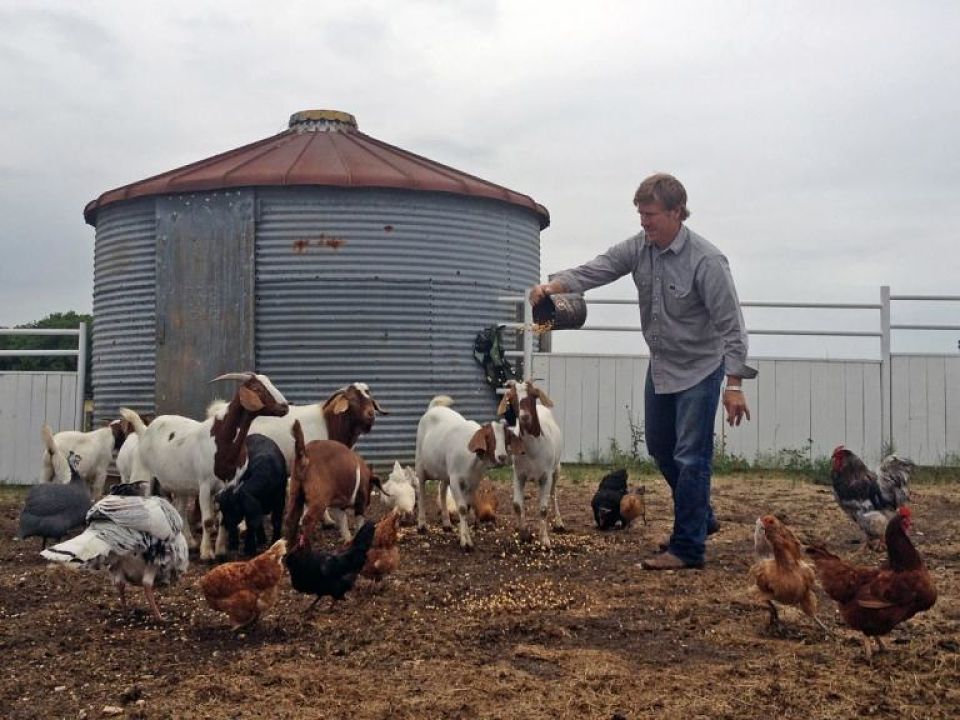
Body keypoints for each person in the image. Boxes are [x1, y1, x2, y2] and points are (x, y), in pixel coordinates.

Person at [529, 173, 755, 570]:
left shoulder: (706, 261)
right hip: (663, 365)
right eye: (640, 214)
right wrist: (555, 286)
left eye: (650, 215)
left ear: (676, 212)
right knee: (660, 448)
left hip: (702, 368)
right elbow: (599, 268)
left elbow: (732, 326)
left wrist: (734, 384)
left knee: (690, 457)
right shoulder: (640, 248)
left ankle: (688, 548)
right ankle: (701, 516)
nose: (644, 222)